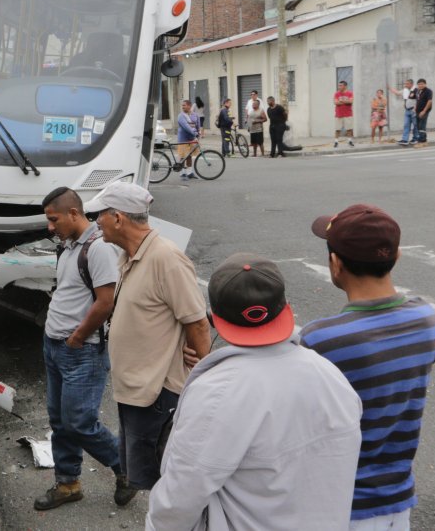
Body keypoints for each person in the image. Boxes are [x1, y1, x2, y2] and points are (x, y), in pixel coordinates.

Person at [147, 253, 362, 530]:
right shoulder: (330, 376)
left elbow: (178, 499)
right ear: (286, 310)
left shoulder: (216, 393)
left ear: (218, 319)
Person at [302, 204, 435, 529]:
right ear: (397, 255)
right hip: (397, 500)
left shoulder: (319, 340)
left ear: (335, 264)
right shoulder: (426, 319)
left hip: (342, 506)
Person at [83, 183, 210, 496]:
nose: (96, 221)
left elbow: (197, 322)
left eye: (101, 214)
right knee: (144, 477)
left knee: (165, 482)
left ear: (118, 218)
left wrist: (204, 375)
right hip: (137, 390)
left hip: (157, 392)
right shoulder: (130, 254)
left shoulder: (166, 257)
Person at [36, 187, 134, 510]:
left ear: (74, 214)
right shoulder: (68, 247)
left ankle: (127, 468)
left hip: (82, 351)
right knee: (60, 421)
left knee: (79, 421)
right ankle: (68, 484)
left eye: (54, 219)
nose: (50, 227)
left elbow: (106, 302)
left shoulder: (97, 248)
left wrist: (78, 336)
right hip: (55, 347)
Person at [175, 99, 201, 181]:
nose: (182, 107)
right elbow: (186, 127)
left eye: (184, 105)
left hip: (191, 138)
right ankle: (182, 173)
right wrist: (194, 133)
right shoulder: (181, 116)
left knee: (189, 156)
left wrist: (198, 133)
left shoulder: (195, 115)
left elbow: (197, 125)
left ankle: (190, 173)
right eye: (182, 105)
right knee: (183, 156)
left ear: (189, 106)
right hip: (183, 139)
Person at [390, 79, 417, 146]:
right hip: (407, 111)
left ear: (411, 84)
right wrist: (389, 88)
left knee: (415, 125)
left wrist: (415, 108)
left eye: (407, 84)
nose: (405, 85)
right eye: (405, 84)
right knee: (406, 125)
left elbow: (418, 100)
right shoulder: (405, 90)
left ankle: (415, 139)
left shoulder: (416, 90)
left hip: (414, 111)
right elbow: (397, 93)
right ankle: (405, 140)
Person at [334, 79, 355, 148]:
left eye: (340, 85)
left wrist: (341, 100)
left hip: (348, 114)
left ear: (345, 86)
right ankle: (336, 142)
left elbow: (350, 102)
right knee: (337, 129)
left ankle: (350, 141)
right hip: (339, 114)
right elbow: (336, 102)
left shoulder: (350, 93)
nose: (339, 87)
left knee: (349, 129)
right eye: (339, 85)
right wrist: (346, 101)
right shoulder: (336, 93)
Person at [413, 78, 433, 148]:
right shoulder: (418, 91)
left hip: (424, 111)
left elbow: (429, 101)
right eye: (419, 84)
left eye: (421, 84)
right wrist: (415, 107)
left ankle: (422, 141)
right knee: (418, 126)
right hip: (417, 111)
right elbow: (417, 100)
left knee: (422, 126)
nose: (420, 85)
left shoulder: (428, 91)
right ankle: (422, 140)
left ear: (425, 84)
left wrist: (424, 111)